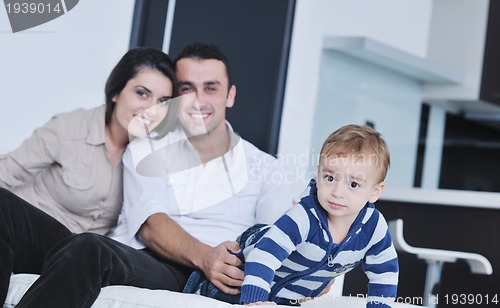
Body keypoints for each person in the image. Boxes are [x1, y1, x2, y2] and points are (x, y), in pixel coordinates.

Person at [6, 42, 293, 308]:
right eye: (186, 89)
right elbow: (150, 225)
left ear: (230, 95)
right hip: (148, 256)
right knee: (80, 243)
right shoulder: (149, 146)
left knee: (87, 246)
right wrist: (205, 255)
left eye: (211, 88)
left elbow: (280, 239)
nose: (198, 100)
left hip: (194, 275)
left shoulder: (266, 168)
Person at [0, 47, 179, 305]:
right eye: (142, 93)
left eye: (163, 102)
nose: (151, 109)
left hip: (77, 253)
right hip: (33, 240)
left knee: (84, 249)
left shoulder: (152, 159)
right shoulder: (69, 128)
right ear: (116, 92)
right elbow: (6, 172)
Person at [184, 124, 399, 307]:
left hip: (286, 297)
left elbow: (384, 272)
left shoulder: (374, 228)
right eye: (330, 177)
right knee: (254, 248)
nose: (337, 192)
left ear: (375, 191)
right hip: (242, 283)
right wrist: (254, 302)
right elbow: (263, 256)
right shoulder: (304, 217)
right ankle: (196, 285)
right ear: (318, 173)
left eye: (353, 184)